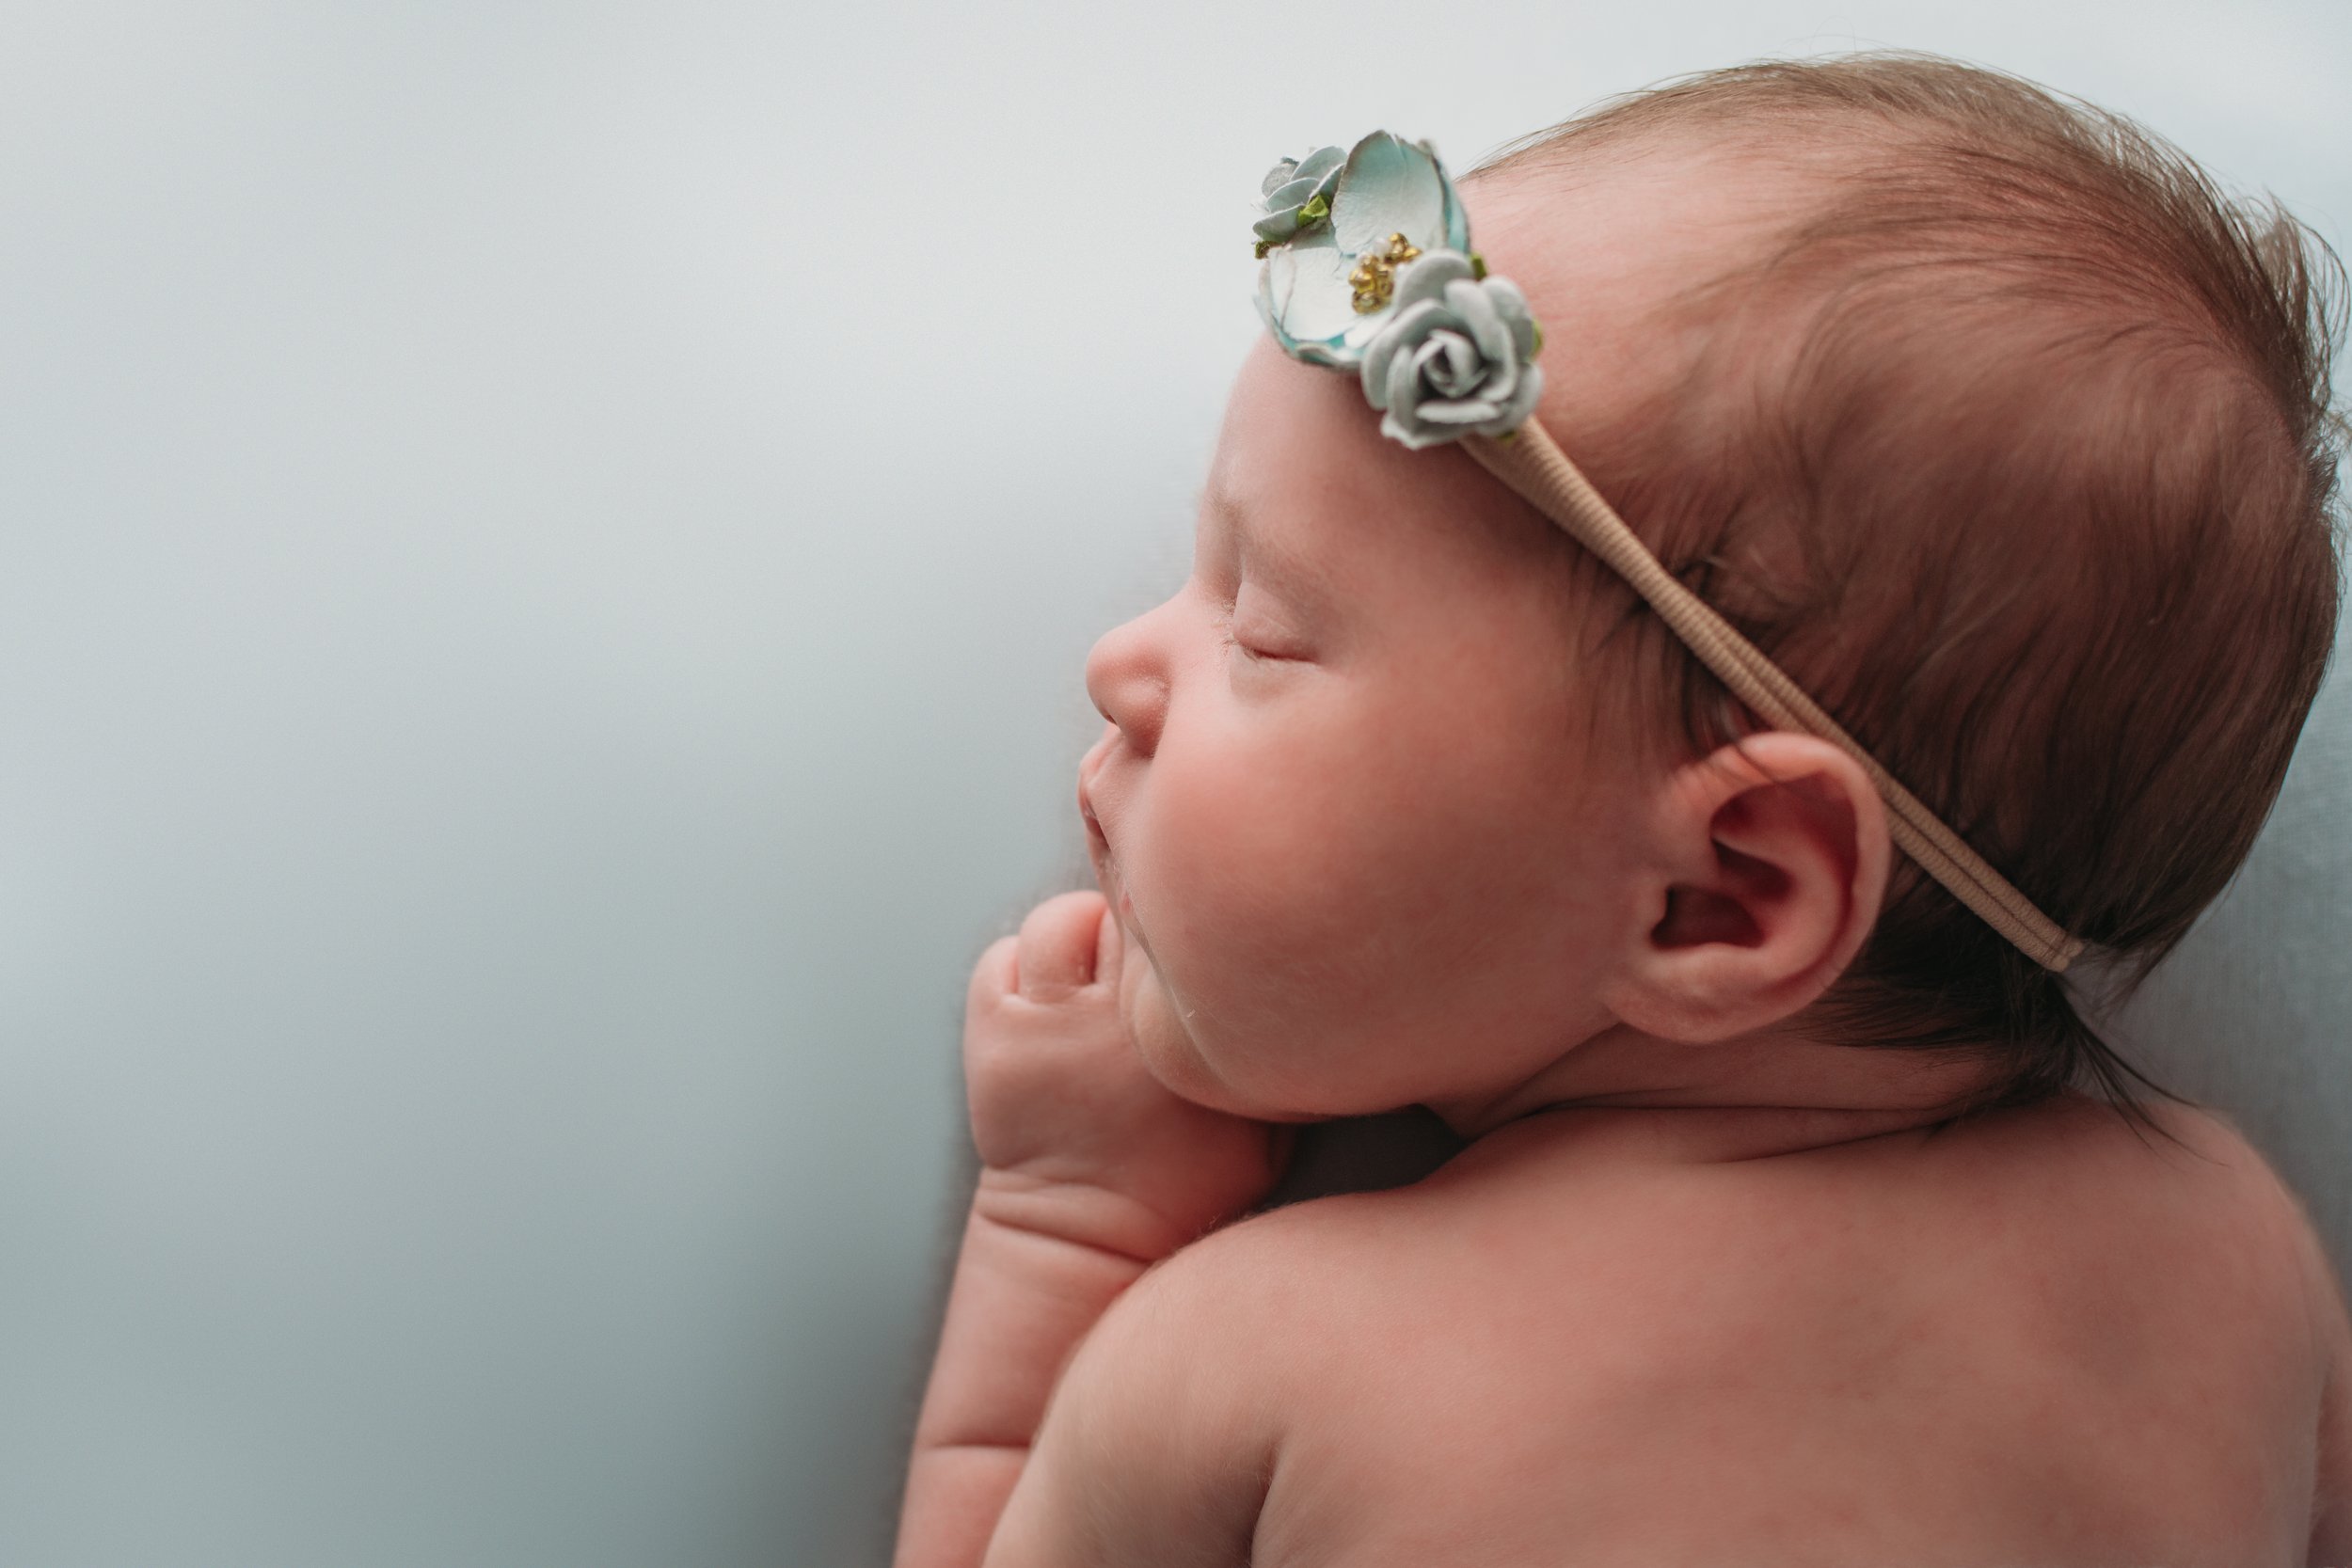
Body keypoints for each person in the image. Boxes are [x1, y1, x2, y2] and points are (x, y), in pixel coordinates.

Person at [895, 53, 2352, 1566]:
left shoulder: (1267, 1348)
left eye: (1262, 626)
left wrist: (1072, 1220)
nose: (1120, 665)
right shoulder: (2240, 1262)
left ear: (1724, 893)